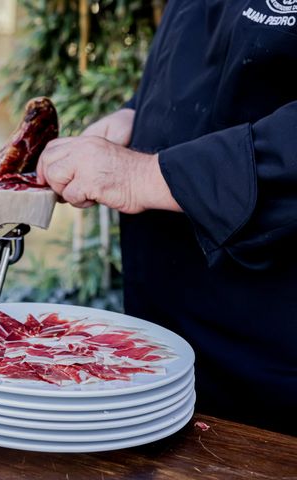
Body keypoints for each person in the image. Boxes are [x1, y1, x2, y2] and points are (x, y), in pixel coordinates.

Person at [37, 0, 297, 435]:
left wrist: (141, 175)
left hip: (272, 378)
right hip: (167, 344)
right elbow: (210, 67)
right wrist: (137, 114)